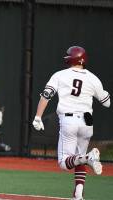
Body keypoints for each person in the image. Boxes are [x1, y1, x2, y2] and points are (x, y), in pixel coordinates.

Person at [32, 46, 110, 200]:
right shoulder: (93, 78)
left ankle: (88, 158)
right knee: (79, 157)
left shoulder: (60, 75)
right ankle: (78, 194)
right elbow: (106, 102)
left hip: (69, 121)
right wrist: (104, 93)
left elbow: (46, 96)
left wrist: (38, 117)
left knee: (64, 163)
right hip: (87, 123)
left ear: (71, 59)